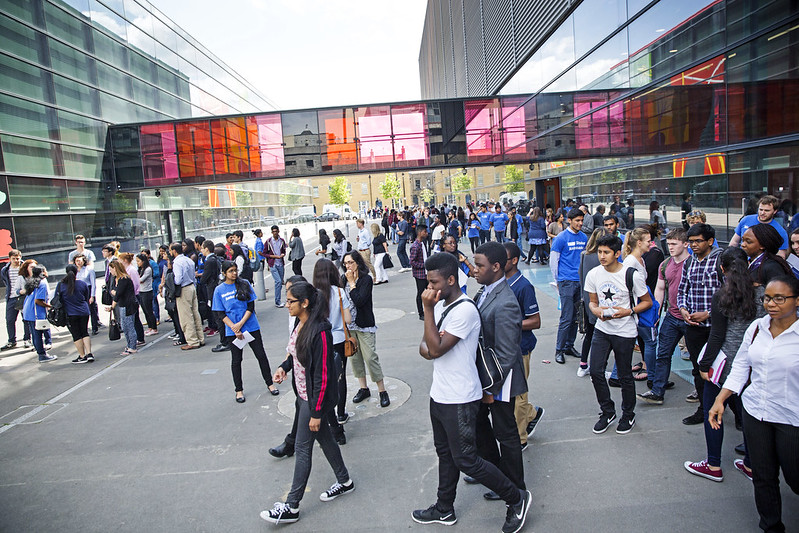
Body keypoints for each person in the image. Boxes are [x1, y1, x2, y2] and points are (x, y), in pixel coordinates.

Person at [412, 252, 532, 532]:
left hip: (460, 398)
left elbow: (436, 348)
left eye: (434, 283)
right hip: (439, 393)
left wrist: (429, 316)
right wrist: (433, 340)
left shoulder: (464, 309)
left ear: (451, 280)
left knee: (468, 459)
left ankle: (516, 498)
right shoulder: (442, 305)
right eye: (427, 283)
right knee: (445, 453)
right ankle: (444, 508)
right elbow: (424, 347)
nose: (428, 290)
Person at [708, 276, 799, 533]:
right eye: (767, 298)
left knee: (794, 477)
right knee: (762, 475)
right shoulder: (757, 327)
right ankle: (771, 526)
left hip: (791, 418)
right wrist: (720, 398)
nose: (771, 303)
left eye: (780, 298)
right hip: (755, 412)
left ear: (797, 301)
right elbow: (741, 365)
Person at [261, 281, 354, 525]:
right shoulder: (298, 323)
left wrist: (316, 411)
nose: (287, 305)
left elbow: (322, 374)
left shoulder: (321, 330)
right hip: (303, 396)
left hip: (314, 400)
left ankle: (291, 506)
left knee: (303, 448)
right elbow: (295, 354)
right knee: (326, 440)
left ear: (305, 303)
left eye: (291, 301)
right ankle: (344, 481)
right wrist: (283, 367)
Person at [683, 247, 756, 482]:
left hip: (725, 364)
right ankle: (752, 464)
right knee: (748, 413)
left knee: (712, 410)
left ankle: (713, 464)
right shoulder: (764, 293)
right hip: (753, 365)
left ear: (722, 269)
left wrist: (703, 366)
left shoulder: (722, 295)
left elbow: (717, 336)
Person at [469, 242, 529, 507]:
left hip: (499, 381)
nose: (474, 269)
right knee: (482, 427)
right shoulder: (485, 292)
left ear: (496, 267)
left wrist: (491, 390)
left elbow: (506, 354)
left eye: (479, 265)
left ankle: (515, 487)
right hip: (487, 378)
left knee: (506, 434)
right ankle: (494, 474)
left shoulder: (505, 302)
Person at [585, 235, 652, 434]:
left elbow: (646, 301)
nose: (602, 256)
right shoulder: (594, 274)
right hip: (602, 328)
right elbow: (592, 301)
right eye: (599, 252)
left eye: (606, 252)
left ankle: (628, 413)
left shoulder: (631, 274)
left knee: (624, 375)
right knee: (595, 370)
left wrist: (628, 311)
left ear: (617, 254)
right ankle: (607, 411)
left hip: (625, 330)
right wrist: (595, 310)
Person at [213, 261, 278, 403]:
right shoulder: (219, 290)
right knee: (236, 360)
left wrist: (241, 323)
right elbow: (220, 313)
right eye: (230, 271)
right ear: (224, 273)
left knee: (260, 355)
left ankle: (270, 383)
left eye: (235, 270)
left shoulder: (245, 284)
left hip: (250, 326)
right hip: (233, 331)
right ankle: (239, 390)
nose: (234, 273)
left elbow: (250, 306)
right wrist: (234, 328)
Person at [677, 223, 723, 425]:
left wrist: (709, 314)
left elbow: (732, 294)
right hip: (694, 327)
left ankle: (732, 411)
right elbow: (682, 290)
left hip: (716, 328)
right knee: (698, 369)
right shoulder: (689, 262)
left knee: (723, 370)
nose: (693, 245)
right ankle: (704, 410)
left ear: (710, 241)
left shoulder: (721, 261)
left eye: (698, 241)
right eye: (691, 242)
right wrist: (684, 309)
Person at [639, 228, 690, 404]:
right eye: (668, 244)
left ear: (685, 244)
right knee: (663, 353)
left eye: (674, 244)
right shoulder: (665, 264)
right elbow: (660, 289)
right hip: (672, 316)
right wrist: (657, 313)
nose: (670, 247)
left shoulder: (693, 264)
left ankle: (702, 392)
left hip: (691, 318)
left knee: (699, 360)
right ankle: (657, 391)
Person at [503, 242, 544, 450]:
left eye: (504, 258)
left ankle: (520, 439)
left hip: (521, 348)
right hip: (504, 348)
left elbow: (535, 321)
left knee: (518, 396)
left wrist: (511, 324)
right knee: (509, 395)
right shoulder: (500, 281)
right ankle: (533, 414)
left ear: (514, 261)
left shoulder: (523, 286)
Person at [341, 251, 390, 407]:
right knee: (355, 359)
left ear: (357, 263)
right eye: (345, 263)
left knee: (370, 357)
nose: (347, 266)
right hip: (350, 326)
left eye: (350, 262)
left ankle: (382, 390)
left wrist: (352, 283)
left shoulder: (366, 279)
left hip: (364, 324)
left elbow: (360, 300)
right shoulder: (343, 279)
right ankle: (363, 388)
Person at [311, 259, 351, 443]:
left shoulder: (312, 295)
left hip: (320, 341)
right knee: (340, 377)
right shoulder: (340, 292)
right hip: (340, 339)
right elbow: (348, 319)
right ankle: (341, 412)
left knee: (322, 379)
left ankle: (328, 417)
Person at [550, 208, 588, 364]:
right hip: (566, 281)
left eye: (581, 220)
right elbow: (554, 261)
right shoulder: (561, 238)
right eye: (577, 221)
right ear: (569, 220)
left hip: (580, 281)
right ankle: (559, 350)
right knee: (566, 317)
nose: (580, 223)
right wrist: (558, 281)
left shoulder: (584, 237)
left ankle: (569, 346)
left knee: (576, 317)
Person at [741, 223, 794, 313]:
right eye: (742, 240)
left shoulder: (771, 267)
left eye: (748, 242)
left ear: (762, 245)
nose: (743, 245)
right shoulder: (751, 263)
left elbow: (780, 298)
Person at [577, 229, 605, 378]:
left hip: (586, 299)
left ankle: (583, 363)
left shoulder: (584, 255)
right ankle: (597, 366)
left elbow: (580, 276)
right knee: (600, 335)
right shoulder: (602, 259)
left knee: (589, 333)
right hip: (600, 301)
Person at [171, 243, 205, 350]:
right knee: (195, 313)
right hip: (192, 286)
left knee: (186, 316)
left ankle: (192, 341)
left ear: (174, 251)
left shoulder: (177, 262)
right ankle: (200, 337)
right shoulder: (188, 260)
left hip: (183, 289)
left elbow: (178, 279)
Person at [58, 264, 94, 364]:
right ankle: (89, 353)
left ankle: (82, 355)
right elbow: (86, 297)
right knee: (85, 332)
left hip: (71, 313)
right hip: (84, 311)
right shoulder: (82, 284)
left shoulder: (61, 285)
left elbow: (58, 300)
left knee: (76, 335)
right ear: (76, 272)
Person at [22, 266, 56, 363]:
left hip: (28, 311)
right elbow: (38, 300)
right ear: (43, 272)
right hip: (36, 312)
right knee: (38, 334)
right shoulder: (43, 283)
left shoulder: (31, 282)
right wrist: (49, 306)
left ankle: (40, 353)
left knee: (34, 333)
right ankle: (42, 355)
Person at [107, 260, 138, 356]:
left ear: (115, 268)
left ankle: (132, 346)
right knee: (125, 326)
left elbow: (118, 293)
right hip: (123, 305)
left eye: (111, 269)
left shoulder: (123, 279)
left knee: (129, 326)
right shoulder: (119, 279)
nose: (110, 271)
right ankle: (130, 345)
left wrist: (112, 305)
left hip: (128, 305)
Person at [2, 249, 24, 350]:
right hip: (11, 297)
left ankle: (27, 339)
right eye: (14, 259)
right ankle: (12, 340)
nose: (16, 260)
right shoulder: (5, 270)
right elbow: (6, 282)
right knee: (10, 320)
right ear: (10, 259)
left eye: (18, 258)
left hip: (23, 296)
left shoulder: (24, 267)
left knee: (26, 319)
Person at [410, 225, 430, 319]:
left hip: (426, 273)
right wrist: (423, 266)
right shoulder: (415, 246)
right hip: (420, 274)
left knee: (428, 292)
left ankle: (428, 310)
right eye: (424, 232)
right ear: (419, 233)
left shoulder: (422, 243)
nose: (426, 233)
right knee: (420, 293)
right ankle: (421, 313)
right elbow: (412, 261)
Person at [136, 253, 158, 336]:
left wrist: (136, 279)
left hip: (147, 291)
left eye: (139, 261)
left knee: (149, 310)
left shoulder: (148, 269)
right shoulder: (140, 269)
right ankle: (150, 327)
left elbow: (141, 280)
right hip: (141, 291)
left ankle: (154, 327)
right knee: (145, 310)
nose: (138, 263)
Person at [265, 226, 287, 307]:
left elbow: (284, 250)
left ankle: (278, 299)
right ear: (271, 232)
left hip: (280, 263)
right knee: (278, 281)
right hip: (273, 264)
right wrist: (273, 257)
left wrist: (282, 255)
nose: (275, 233)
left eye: (276, 231)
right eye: (273, 231)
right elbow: (265, 253)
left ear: (278, 231)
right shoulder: (268, 242)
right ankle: (277, 301)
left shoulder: (282, 241)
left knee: (280, 282)